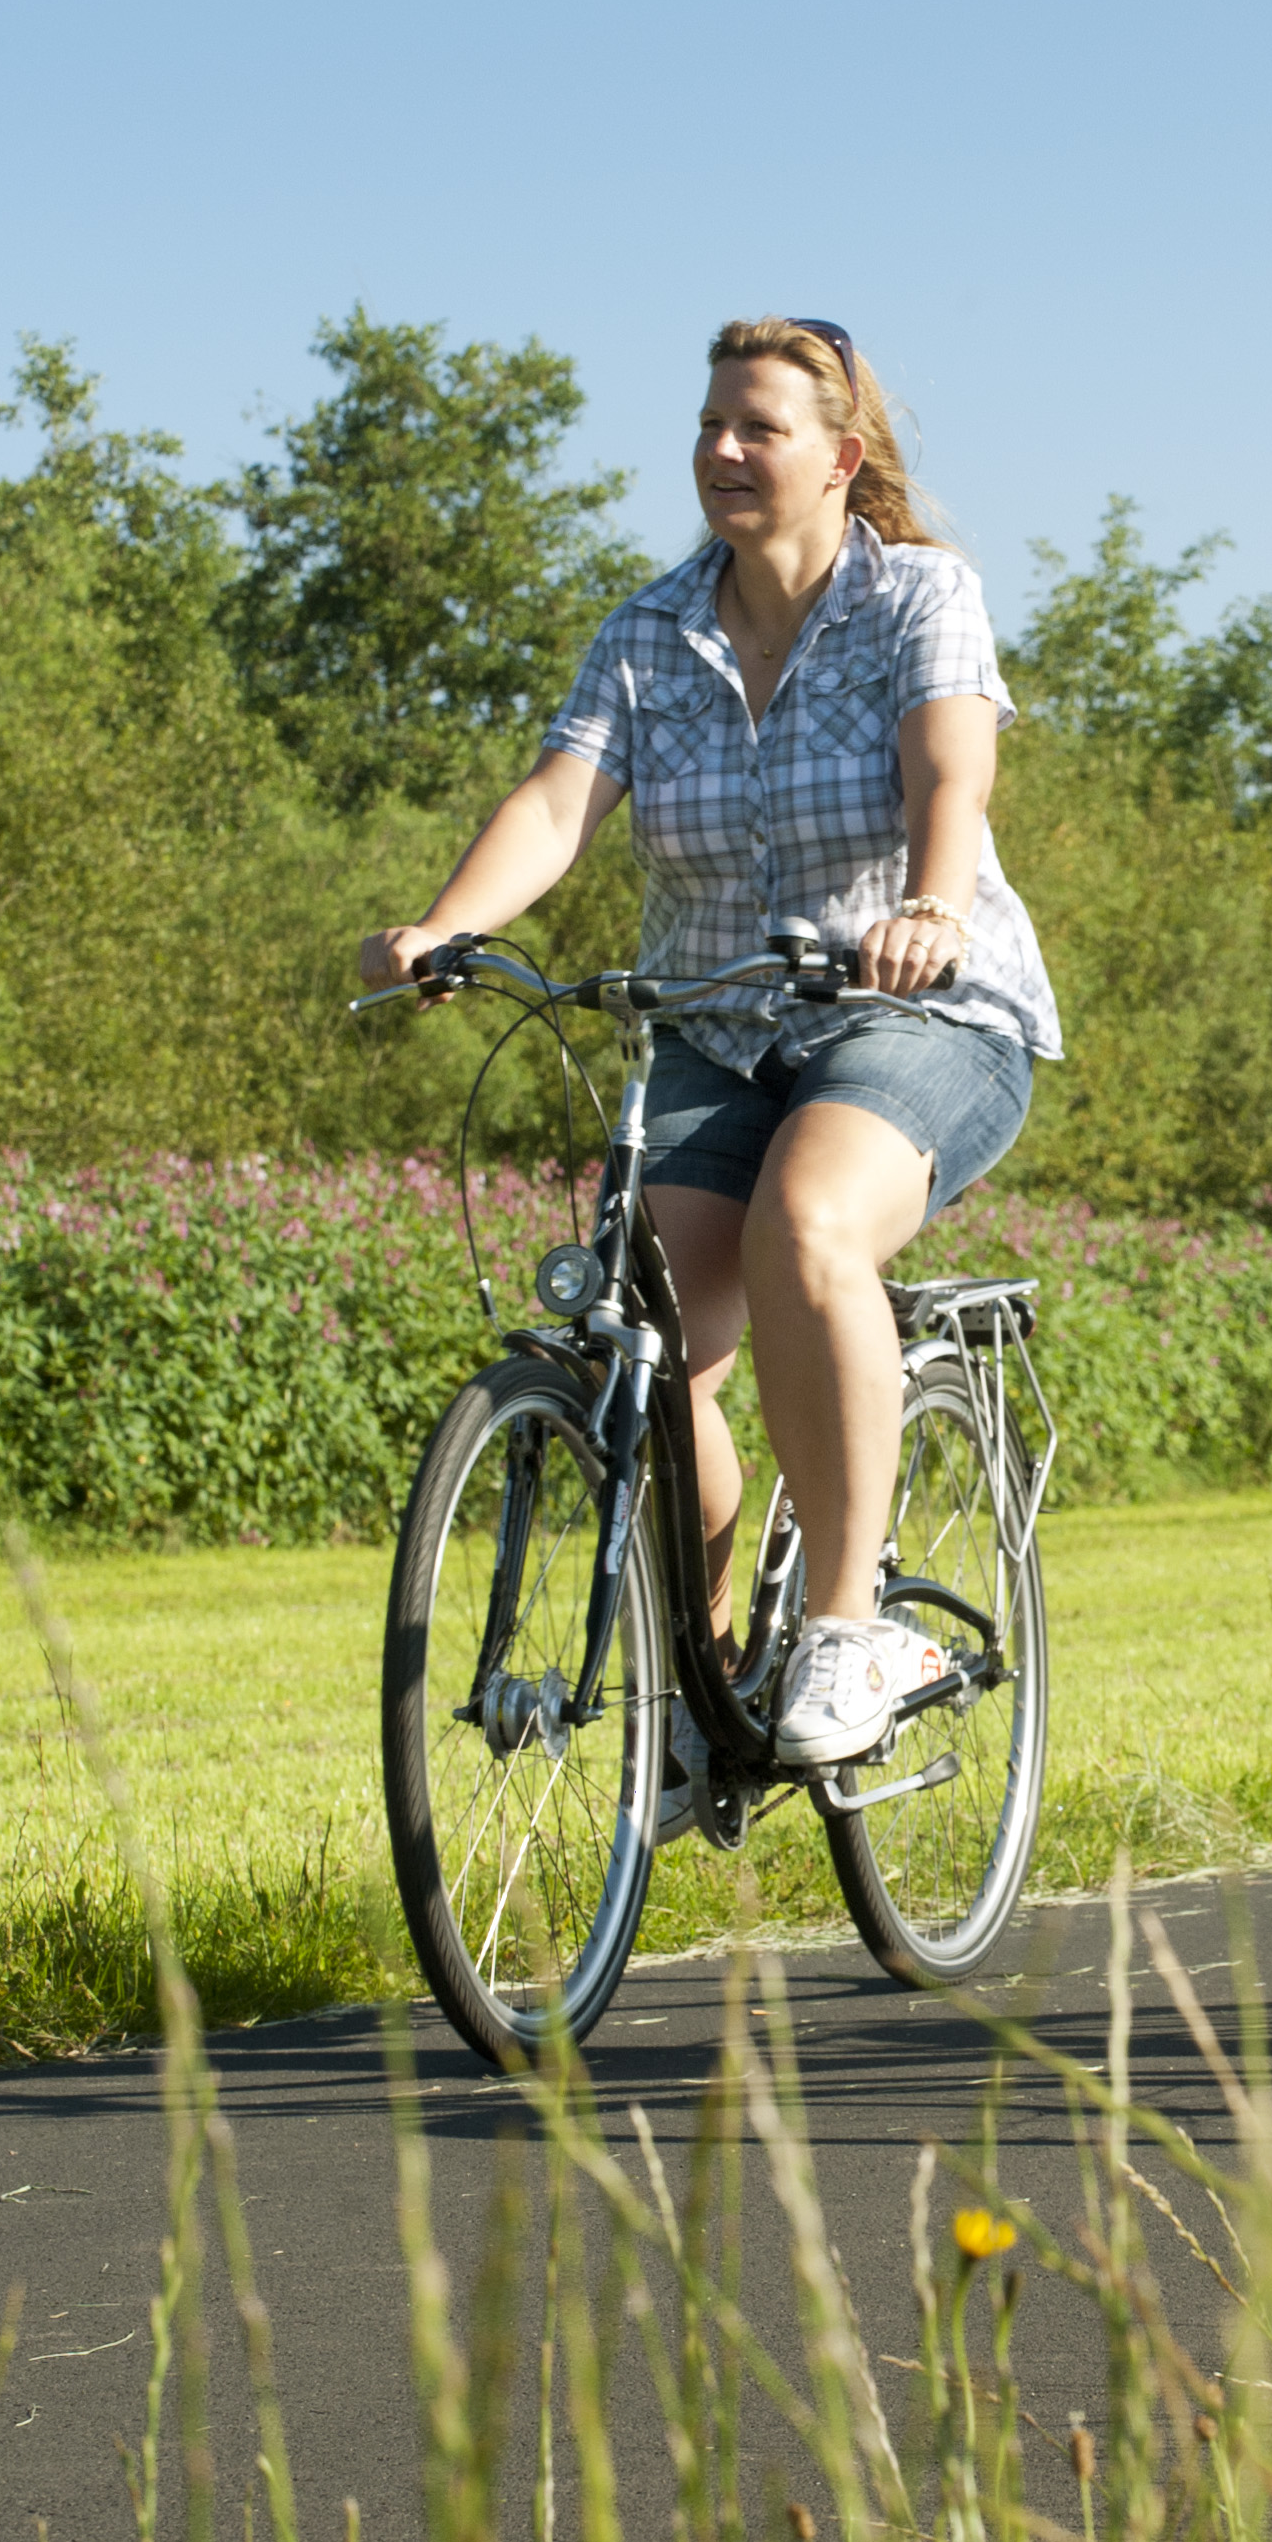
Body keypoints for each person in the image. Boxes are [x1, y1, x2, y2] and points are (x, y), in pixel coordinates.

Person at [357, 317, 1062, 1760]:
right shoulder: (650, 631)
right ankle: (715, 1667)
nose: (724, 453)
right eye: (709, 427)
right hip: (714, 1022)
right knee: (646, 1338)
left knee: (811, 1222)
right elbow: (560, 804)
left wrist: (928, 903)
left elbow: (951, 764)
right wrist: (443, 926)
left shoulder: (920, 596)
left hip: (917, 1009)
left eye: (760, 429)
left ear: (838, 459)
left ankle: (849, 1631)